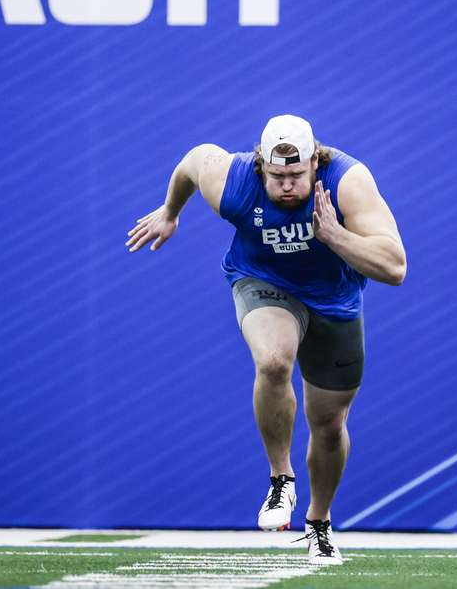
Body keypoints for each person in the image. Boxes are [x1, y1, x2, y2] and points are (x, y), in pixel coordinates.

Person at [125, 115, 407, 565]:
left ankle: (319, 522)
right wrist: (170, 211)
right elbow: (194, 161)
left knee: (330, 425)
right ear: (261, 167)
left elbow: (395, 267)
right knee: (274, 361)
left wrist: (334, 234)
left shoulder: (348, 182)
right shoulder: (235, 182)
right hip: (262, 281)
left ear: (316, 162)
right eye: (278, 177)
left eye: (297, 175)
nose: (288, 186)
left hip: (334, 302)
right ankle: (282, 479)